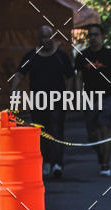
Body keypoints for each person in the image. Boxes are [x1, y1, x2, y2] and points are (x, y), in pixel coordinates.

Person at [12, 25, 75, 178]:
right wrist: (14, 92)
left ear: (53, 38)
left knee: (56, 131)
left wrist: (70, 95)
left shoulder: (61, 56)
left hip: (57, 100)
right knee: (40, 132)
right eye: (42, 37)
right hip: (37, 101)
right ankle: (46, 162)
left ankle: (57, 163)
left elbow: (71, 77)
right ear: (38, 39)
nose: (45, 40)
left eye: (47, 36)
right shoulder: (31, 56)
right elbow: (19, 75)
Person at [75, 24, 111, 176]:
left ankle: (105, 165)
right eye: (90, 35)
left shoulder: (110, 54)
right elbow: (78, 77)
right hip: (89, 98)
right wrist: (77, 95)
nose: (93, 38)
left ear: (102, 36)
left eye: (96, 35)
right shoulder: (82, 55)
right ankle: (101, 153)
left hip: (108, 97)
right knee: (92, 135)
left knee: (105, 130)